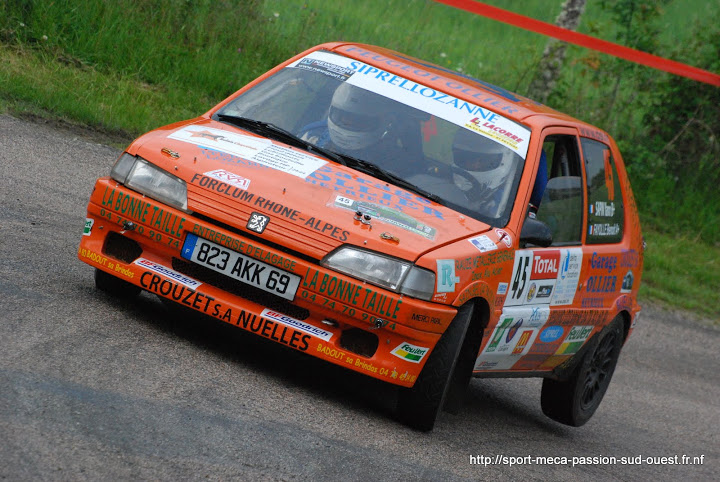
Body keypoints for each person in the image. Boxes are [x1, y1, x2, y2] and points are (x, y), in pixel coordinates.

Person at [298, 82, 416, 174]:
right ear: (332, 110)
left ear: (382, 122)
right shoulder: (312, 135)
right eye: (343, 117)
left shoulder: (393, 159)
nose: (348, 124)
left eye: (358, 121)